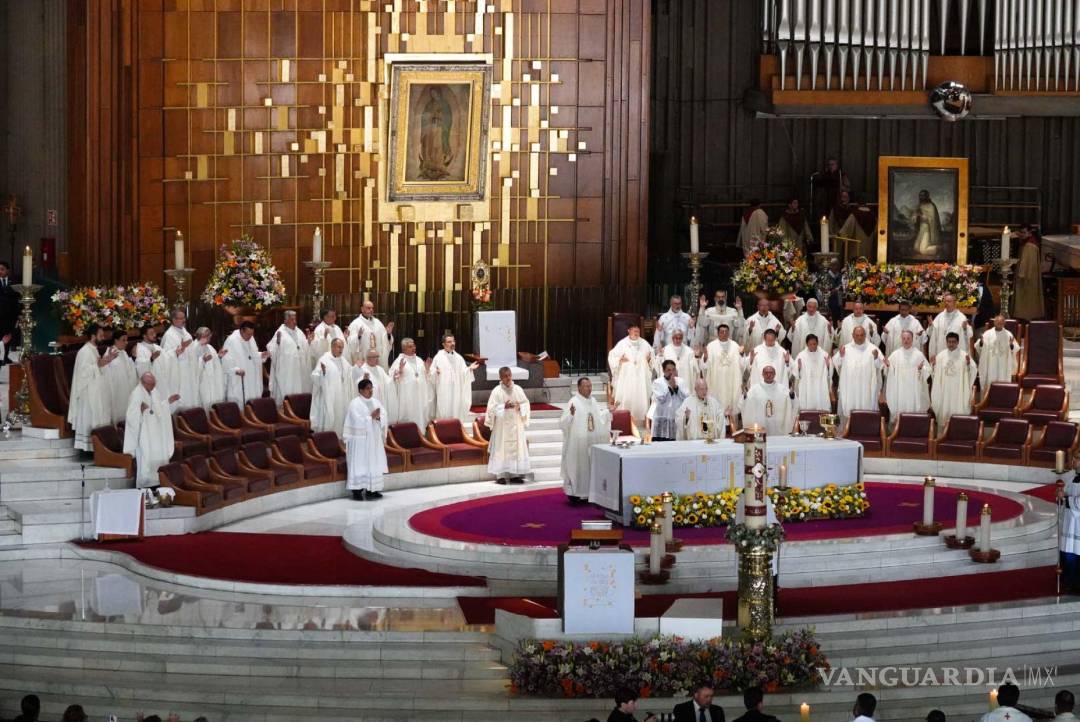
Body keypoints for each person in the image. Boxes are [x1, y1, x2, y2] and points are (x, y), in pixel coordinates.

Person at [559, 377, 611, 504]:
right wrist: (571, 415)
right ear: (579, 388)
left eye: (590, 386)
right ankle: (575, 494)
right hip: (577, 444)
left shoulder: (593, 401)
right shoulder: (574, 402)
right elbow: (562, 424)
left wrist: (608, 412)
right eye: (586, 386)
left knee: (589, 467)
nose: (589, 388)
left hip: (591, 442)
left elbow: (599, 419)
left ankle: (589, 494)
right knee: (579, 467)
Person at [124, 372, 180, 488]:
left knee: (159, 459)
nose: (154, 386)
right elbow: (131, 416)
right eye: (151, 384)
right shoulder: (137, 394)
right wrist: (141, 412)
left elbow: (158, 409)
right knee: (146, 458)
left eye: (154, 383)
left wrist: (167, 402)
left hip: (157, 435)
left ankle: (160, 482)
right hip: (145, 435)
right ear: (143, 383)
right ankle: (146, 485)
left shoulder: (154, 392)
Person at [68, 325, 115, 452]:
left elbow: (98, 367)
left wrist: (106, 361)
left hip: (96, 390)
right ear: (93, 336)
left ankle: (97, 447)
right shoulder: (84, 351)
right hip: (87, 392)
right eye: (100, 335)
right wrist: (99, 364)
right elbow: (82, 373)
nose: (103, 337)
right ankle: (88, 447)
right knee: (90, 417)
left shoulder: (94, 349)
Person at [343, 379, 388, 501]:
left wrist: (379, 417)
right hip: (359, 441)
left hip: (373, 439)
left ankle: (372, 490)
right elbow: (356, 421)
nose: (370, 390)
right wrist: (370, 418)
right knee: (360, 464)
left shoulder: (375, 401)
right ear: (361, 390)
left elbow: (384, 415)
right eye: (368, 388)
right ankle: (357, 491)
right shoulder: (355, 404)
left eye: (371, 388)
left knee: (373, 463)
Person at [486, 366, 531, 484]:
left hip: (516, 424)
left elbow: (526, 403)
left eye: (509, 375)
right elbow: (491, 409)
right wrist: (503, 407)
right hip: (502, 427)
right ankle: (500, 475)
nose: (508, 378)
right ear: (500, 377)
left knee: (516, 448)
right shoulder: (496, 391)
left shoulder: (518, 389)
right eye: (505, 376)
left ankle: (514, 474)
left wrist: (520, 406)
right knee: (501, 449)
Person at [834, 325, 884, 425]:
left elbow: (881, 366)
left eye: (862, 335)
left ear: (865, 335)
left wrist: (875, 358)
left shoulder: (873, 349)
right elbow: (836, 363)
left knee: (866, 409)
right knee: (849, 411)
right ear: (852, 335)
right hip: (850, 388)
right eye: (857, 335)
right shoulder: (846, 348)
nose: (859, 337)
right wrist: (841, 356)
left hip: (866, 388)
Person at [607, 324, 654, 425]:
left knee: (641, 397)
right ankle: (624, 421)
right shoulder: (622, 343)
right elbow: (612, 355)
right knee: (626, 398)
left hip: (641, 376)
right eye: (634, 331)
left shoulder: (644, 343)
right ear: (629, 331)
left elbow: (652, 354)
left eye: (638, 331)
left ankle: (641, 422)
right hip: (626, 377)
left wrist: (649, 359)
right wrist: (619, 360)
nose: (636, 333)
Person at [311, 338, 357, 436]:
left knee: (340, 418)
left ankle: (340, 438)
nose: (341, 350)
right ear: (332, 347)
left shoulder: (343, 360)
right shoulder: (324, 360)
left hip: (342, 397)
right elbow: (314, 377)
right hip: (329, 397)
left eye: (342, 348)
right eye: (339, 347)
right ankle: (327, 439)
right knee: (331, 418)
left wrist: (357, 369)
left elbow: (350, 373)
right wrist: (322, 374)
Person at [266, 310, 314, 403]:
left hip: (299, 370)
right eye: (292, 319)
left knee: (300, 391)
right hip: (287, 371)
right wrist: (278, 343)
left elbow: (303, 348)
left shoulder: (299, 331)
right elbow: (271, 350)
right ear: (285, 320)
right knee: (288, 392)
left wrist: (308, 341)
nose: (294, 322)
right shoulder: (280, 333)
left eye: (295, 319)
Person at [430, 333, 479, 424]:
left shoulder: (459, 358)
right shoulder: (438, 357)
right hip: (443, 391)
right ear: (444, 344)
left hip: (456, 391)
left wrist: (469, 370)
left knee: (455, 410)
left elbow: (463, 373)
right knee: (444, 410)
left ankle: (455, 430)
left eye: (453, 341)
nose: (452, 343)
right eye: (449, 342)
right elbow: (431, 375)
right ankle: (442, 431)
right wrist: (435, 373)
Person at [931, 331, 977, 426]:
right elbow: (935, 373)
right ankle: (942, 435)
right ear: (946, 342)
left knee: (957, 408)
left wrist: (968, 364)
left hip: (959, 389)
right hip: (944, 389)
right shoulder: (941, 356)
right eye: (949, 342)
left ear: (957, 342)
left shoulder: (964, 355)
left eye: (953, 342)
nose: (951, 344)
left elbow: (973, 370)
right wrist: (934, 365)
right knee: (944, 411)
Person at [158, 308, 200, 411]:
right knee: (180, 400)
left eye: (184, 318)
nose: (183, 320)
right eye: (180, 318)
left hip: (188, 371)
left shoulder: (185, 333)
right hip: (178, 373)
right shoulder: (169, 335)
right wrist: (176, 352)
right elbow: (164, 357)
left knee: (190, 397)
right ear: (173, 319)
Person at [702, 324, 745, 421]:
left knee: (731, 403)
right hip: (716, 382)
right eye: (722, 332)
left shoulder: (735, 345)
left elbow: (742, 365)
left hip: (731, 381)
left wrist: (742, 354)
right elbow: (705, 366)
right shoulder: (711, 346)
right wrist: (705, 358)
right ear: (718, 333)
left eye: (726, 331)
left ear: (729, 333)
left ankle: (732, 431)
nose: (724, 334)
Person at [884, 329, 931, 419]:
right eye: (904, 338)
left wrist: (921, 369)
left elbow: (927, 370)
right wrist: (888, 367)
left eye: (908, 338)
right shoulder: (895, 354)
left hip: (914, 390)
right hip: (899, 389)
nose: (906, 340)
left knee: (913, 409)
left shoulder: (918, 354)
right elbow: (888, 370)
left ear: (912, 340)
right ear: (901, 339)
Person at [222, 321, 269, 406]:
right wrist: (235, 370)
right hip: (239, 378)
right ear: (241, 331)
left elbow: (252, 355)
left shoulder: (250, 338)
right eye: (248, 334)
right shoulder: (231, 341)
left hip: (252, 378)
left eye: (252, 334)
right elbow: (225, 361)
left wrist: (261, 355)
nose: (250, 337)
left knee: (253, 403)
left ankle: (252, 417)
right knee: (240, 403)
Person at [390, 337, 434, 430]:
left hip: (420, 396)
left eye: (414, 345)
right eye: (410, 346)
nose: (414, 348)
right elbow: (392, 378)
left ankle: (421, 433)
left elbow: (426, 377)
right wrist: (399, 371)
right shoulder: (399, 361)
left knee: (420, 414)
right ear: (404, 348)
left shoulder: (419, 360)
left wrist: (427, 369)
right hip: (407, 397)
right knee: (409, 416)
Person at [740, 365, 796, 435]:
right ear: (762, 374)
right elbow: (744, 403)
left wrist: (792, 395)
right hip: (760, 426)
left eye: (771, 373)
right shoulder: (754, 390)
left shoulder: (782, 389)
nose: (768, 375)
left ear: (775, 374)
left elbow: (793, 402)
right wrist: (744, 395)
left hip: (777, 427)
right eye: (766, 373)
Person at [646, 359, 689, 442]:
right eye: (668, 370)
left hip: (676, 418)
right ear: (663, 371)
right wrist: (670, 387)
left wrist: (676, 387)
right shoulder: (657, 382)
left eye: (673, 369)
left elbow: (686, 398)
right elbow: (661, 399)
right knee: (660, 444)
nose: (671, 372)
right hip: (662, 417)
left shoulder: (681, 381)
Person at [974, 315, 1019, 390]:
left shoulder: (1008, 334)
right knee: (990, 382)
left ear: (1004, 324)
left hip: (1004, 365)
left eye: (1001, 323)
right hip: (990, 364)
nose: (999, 324)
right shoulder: (987, 334)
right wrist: (981, 342)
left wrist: (1011, 345)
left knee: (1003, 383)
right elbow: (978, 346)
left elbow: (1015, 349)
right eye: (998, 322)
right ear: (994, 323)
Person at [102, 332, 138, 424]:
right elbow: (104, 372)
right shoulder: (109, 353)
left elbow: (130, 370)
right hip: (115, 391)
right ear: (115, 340)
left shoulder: (123, 353)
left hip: (125, 390)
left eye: (127, 340)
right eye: (123, 340)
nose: (126, 342)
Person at [347, 300, 394, 368]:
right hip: (364, 359)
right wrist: (358, 337)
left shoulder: (378, 323)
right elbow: (349, 343)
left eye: (372, 308)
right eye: (368, 308)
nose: (371, 310)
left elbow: (385, 341)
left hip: (378, 360)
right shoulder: (355, 324)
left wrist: (388, 335)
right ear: (362, 309)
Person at [793, 333, 832, 412]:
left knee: (820, 405)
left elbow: (830, 373)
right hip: (806, 385)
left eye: (814, 344)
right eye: (810, 344)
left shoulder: (824, 354)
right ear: (807, 344)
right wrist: (799, 368)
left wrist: (828, 366)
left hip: (820, 385)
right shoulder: (801, 355)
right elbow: (796, 373)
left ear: (817, 343)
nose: (813, 346)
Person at [357, 349, 397, 423]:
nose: (378, 359)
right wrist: (363, 380)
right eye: (375, 357)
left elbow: (387, 382)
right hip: (368, 402)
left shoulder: (380, 369)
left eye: (378, 356)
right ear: (368, 358)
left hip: (380, 401)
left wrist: (393, 378)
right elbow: (357, 386)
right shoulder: (362, 369)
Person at [1014, 225, 1045, 320]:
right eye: (1021, 232)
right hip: (1030, 275)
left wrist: (1021, 274)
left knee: (1026, 298)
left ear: (1029, 233)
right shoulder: (1027, 243)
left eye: (1024, 232)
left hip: (1027, 277)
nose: (1022, 235)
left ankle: (1024, 316)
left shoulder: (1029, 245)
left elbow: (1026, 262)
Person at [927, 293, 972, 359]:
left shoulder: (961, 317)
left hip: (956, 353)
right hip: (941, 350)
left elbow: (968, 335)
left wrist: (965, 329)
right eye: (945, 301)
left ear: (954, 303)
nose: (946, 303)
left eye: (949, 301)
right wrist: (931, 326)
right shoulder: (939, 317)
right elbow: (931, 334)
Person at [194, 327, 227, 412]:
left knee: (214, 405)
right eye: (207, 336)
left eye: (209, 335)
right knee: (205, 404)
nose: (209, 338)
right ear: (201, 336)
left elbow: (214, 362)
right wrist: (202, 361)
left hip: (213, 383)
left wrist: (219, 356)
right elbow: (191, 367)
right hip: (202, 383)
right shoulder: (193, 348)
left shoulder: (210, 347)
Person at [837, 193, 877, 260]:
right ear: (866, 202)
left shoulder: (854, 215)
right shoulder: (874, 216)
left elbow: (844, 233)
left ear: (857, 203)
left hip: (856, 251)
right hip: (869, 251)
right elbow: (877, 233)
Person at [812, 156, 850, 223]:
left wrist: (842, 189)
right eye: (829, 165)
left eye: (832, 164)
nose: (830, 166)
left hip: (837, 200)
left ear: (836, 165)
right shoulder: (824, 175)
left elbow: (847, 188)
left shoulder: (841, 175)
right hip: (826, 201)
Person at [912, 189, 943, 257]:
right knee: (916, 248)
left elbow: (931, 219)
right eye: (920, 196)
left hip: (928, 230)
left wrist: (920, 216)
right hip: (921, 229)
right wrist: (915, 216)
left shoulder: (931, 206)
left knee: (923, 251)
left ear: (927, 196)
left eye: (923, 196)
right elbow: (915, 216)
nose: (921, 197)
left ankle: (939, 247)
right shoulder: (920, 205)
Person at [0, 260, 18, 365]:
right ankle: (0, 358)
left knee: (8, 336)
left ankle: (5, 356)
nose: (0, 271)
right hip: (0, 314)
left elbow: (16, 297)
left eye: (2, 269)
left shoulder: (13, 282)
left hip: (10, 314)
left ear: (7, 270)